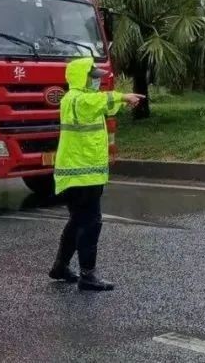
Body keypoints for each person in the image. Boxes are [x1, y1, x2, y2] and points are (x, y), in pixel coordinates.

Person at [48, 56, 143, 291]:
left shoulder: (82, 100)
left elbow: (104, 104)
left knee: (78, 221)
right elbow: (99, 102)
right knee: (90, 223)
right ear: (82, 78)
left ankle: (60, 267)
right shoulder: (76, 100)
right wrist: (123, 96)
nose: (97, 83)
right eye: (93, 78)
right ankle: (88, 275)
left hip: (80, 174)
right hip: (81, 176)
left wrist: (122, 101)